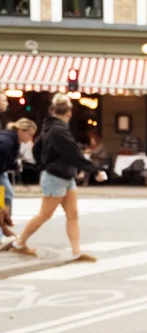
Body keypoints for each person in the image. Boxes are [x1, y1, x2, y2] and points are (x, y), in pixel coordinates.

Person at [8, 92, 106, 259]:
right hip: (56, 176)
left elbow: (36, 149)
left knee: (72, 214)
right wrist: (94, 170)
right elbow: (73, 154)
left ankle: (76, 252)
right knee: (45, 214)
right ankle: (19, 242)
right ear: (68, 113)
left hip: (62, 176)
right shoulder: (59, 131)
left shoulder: (49, 127)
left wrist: (43, 165)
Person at [0, 118, 37, 246]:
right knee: (4, 198)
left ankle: (4, 226)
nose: (30, 138)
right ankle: (2, 230)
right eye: (30, 135)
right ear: (22, 131)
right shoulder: (7, 142)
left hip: (1, 172)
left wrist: (15, 165)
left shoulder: (12, 140)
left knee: (7, 195)